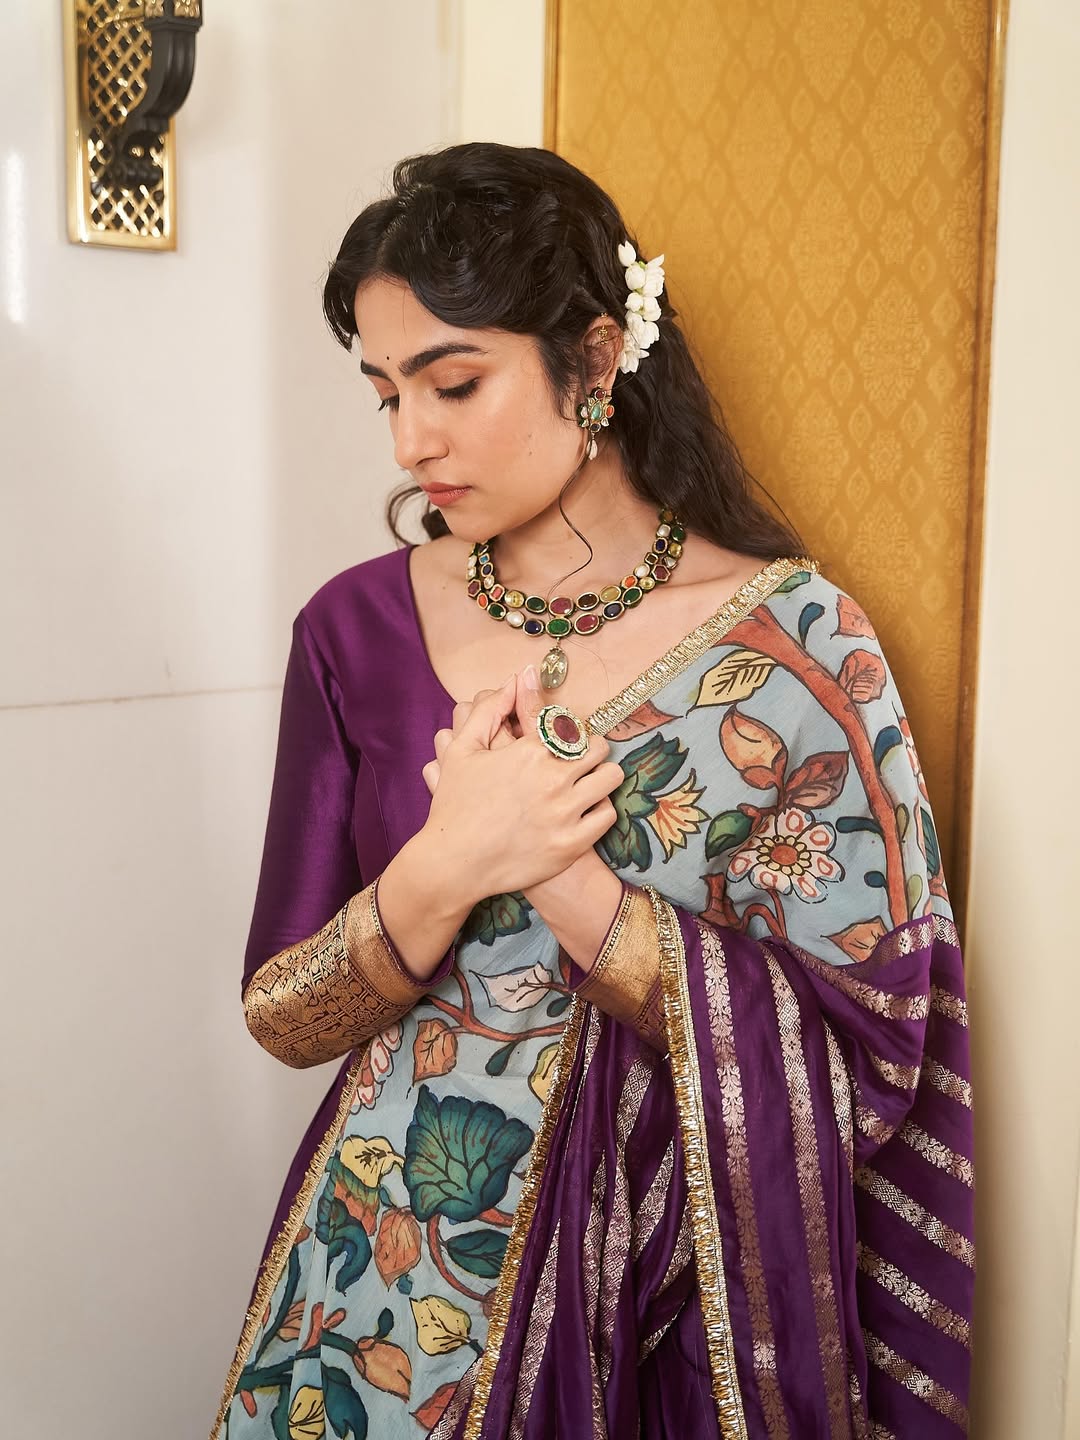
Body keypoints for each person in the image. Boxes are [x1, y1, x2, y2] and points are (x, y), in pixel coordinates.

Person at [212, 143, 973, 1440]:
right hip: (373, 1296)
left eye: (454, 382)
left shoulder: (793, 650)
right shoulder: (354, 629)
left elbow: (877, 1047)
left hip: (655, 1325)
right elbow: (283, 1013)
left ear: (598, 358)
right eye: (385, 393)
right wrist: (450, 863)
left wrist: (571, 885)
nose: (410, 440)